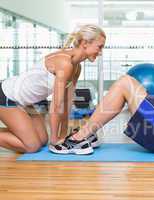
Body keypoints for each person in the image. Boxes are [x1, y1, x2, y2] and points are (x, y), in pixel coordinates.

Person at [0, 24, 106, 153]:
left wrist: (63, 135)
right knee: (32, 146)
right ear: (85, 43)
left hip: (27, 102)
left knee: (42, 140)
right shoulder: (64, 63)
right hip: (8, 96)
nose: (100, 52)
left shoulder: (76, 67)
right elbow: (56, 105)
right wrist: (55, 140)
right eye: (99, 47)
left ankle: (21, 131)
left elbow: (66, 103)